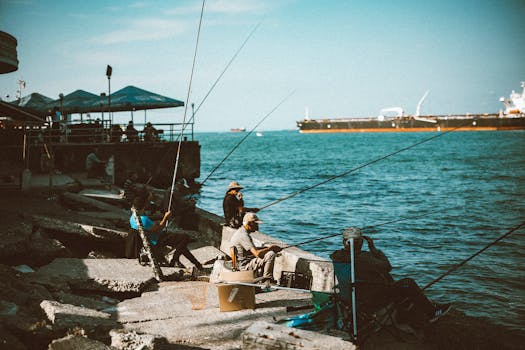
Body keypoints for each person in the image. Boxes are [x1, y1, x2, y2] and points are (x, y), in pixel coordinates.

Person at [330, 227, 452, 327]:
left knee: (387, 278)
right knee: (407, 283)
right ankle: (431, 312)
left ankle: (407, 313)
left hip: (352, 297)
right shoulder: (364, 258)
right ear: (361, 242)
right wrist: (373, 248)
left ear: (343, 242)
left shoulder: (337, 257)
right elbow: (387, 266)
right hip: (371, 299)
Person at [130, 188, 203, 270]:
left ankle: (197, 264)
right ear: (145, 203)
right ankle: (174, 260)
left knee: (180, 245)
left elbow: (151, 226)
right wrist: (165, 218)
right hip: (157, 240)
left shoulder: (133, 218)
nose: (149, 203)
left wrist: (157, 222)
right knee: (184, 238)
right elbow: (159, 229)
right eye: (148, 201)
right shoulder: (144, 220)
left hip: (151, 238)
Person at [230, 212, 282, 283]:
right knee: (270, 254)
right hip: (244, 267)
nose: (257, 226)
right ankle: (267, 280)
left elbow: (250, 250)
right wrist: (270, 249)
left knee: (267, 252)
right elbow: (257, 254)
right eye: (256, 224)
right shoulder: (243, 236)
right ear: (249, 224)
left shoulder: (241, 232)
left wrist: (266, 248)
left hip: (241, 263)